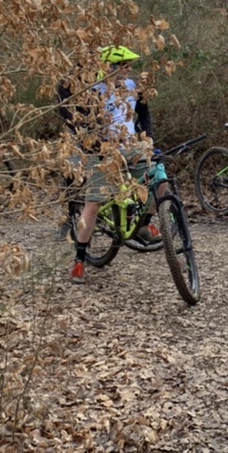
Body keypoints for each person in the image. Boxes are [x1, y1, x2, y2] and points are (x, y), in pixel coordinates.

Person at [68, 46, 153, 284]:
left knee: (158, 180)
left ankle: (146, 224)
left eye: (128, 66)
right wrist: (96, 146)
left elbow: (145, 113)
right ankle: (80, 259)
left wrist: (149, 138)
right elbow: (81, 124)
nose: (127, 70)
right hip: (100, 151)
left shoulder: (132, 87)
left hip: (130, 146)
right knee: (93, 204)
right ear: (108, 67)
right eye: (122, 66)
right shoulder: (92, 91)